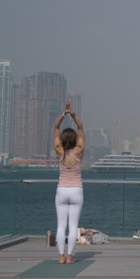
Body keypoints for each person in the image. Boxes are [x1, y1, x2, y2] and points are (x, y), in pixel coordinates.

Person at [53, 100, 85, 264]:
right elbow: (80, 128)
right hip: (76, 191)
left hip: (62, 191)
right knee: (73, 226)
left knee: (61, 225)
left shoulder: (59, 151)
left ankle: (60, 256)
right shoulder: (79, 151)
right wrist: (73, 115)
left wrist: (63, 114)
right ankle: (70, 257)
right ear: (74, 140)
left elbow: (56, 128)